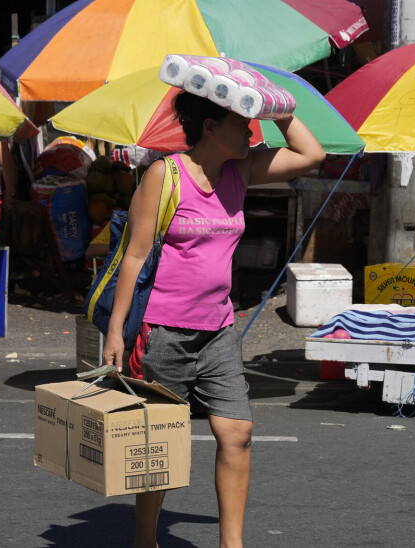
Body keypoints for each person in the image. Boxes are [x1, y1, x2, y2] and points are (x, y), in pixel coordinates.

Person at [102, 91, 325, 548]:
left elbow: (311, 155)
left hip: (219, 329)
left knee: (237, 432)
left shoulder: (240, 171)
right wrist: (115, 330)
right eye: (242, 123)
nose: (250, 131)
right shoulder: (165, 175)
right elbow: (135, 254)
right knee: (161, 443)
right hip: (162, 331)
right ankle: (146, 539)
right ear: (209, 126)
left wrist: (280, 110)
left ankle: (231, 544)